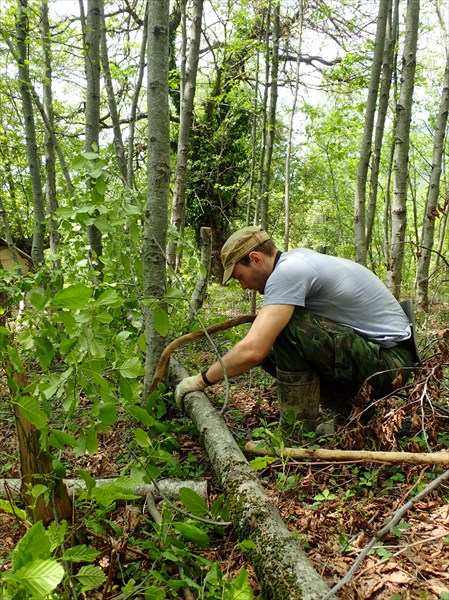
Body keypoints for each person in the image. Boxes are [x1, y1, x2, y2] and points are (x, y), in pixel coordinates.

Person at [175, 225, 417, 435]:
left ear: (256, 258)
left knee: (282, 330)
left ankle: (297, 435)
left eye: (240, 276)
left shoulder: (288, 273)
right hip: (388, 359)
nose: (243, 286)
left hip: (390, 364)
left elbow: (253, 350)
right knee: (273, 352)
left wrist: (201, 380)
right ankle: (354, 415)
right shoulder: (296, 261)